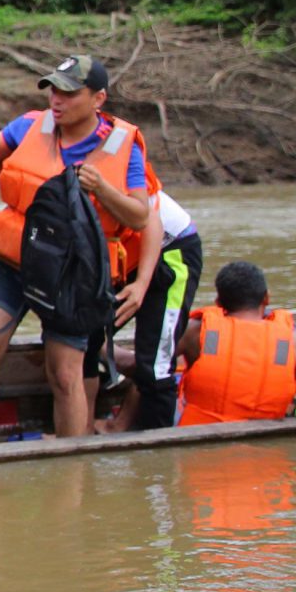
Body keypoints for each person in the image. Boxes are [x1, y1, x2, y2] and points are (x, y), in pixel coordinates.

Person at [0, 57, 155, 438]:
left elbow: (139, 216)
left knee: (66, 372)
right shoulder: (29, 125)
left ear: (98, 98)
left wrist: (103, 189)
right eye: (53, 89)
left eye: (69, 93)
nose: (57, 99)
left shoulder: (123, 147)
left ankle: (71, 470)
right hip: (13, 260)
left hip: (72, 274)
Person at [178, 261, 296, 424]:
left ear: (218, 303)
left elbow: (154, 360)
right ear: (266, 299)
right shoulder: (293, 341)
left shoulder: (194, 332)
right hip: (265, 449)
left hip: (198, 443)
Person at [105, 183, 203, 432]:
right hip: (128, 252)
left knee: (157, 367)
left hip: (172, 251)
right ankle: (127, 364)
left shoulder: (117, 160)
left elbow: (151, 221)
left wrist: (141, 285)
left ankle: (157, 458)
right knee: (77, 336)